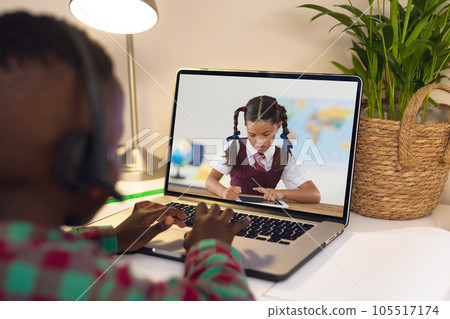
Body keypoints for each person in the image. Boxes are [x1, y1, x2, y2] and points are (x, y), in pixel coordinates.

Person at [0, 12, 253, 301]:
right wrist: (210, 246)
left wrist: (111, 238)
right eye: (111, 147)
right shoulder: (69, 279)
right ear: (80, 161)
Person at [206, 95, 321, 203]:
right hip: (236, 210)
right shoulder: (235, 146)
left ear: (278, 127)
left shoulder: (283, 157)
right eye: (252, 135)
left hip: (265, 214)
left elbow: (314, 195)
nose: (259, 141)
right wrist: (223, 192)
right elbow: (210, 180)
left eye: (265, 134)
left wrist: (281, 193)